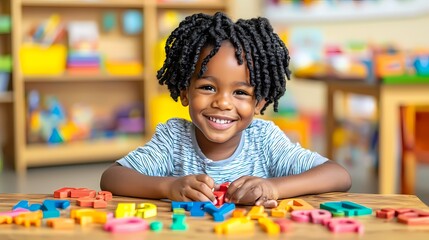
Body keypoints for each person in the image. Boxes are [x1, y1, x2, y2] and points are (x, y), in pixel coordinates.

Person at [100, 12, 351, 207]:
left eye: (240, 92)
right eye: (208, 87)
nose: (222, 103)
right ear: (185, 92)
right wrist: (169, 187)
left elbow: (338, 176)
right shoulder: (173, 138)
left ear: (259, 103)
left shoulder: (264, 139)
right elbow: (112, 178)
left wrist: (274, 188)